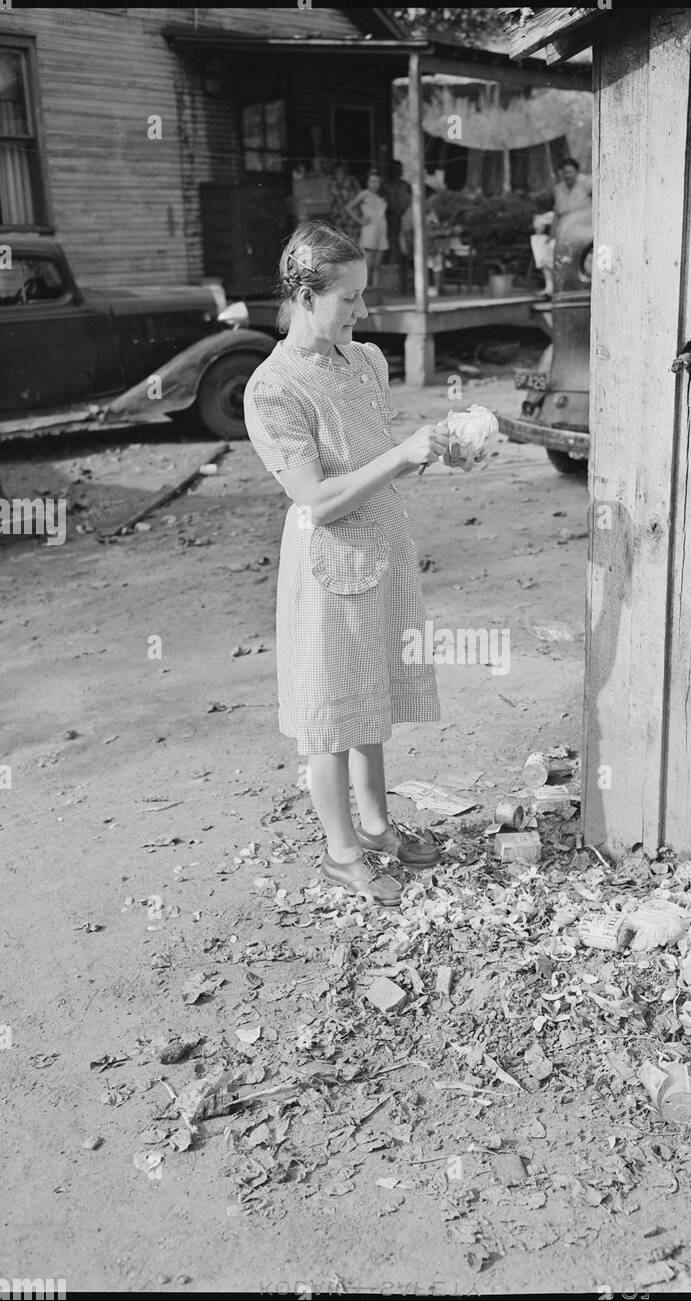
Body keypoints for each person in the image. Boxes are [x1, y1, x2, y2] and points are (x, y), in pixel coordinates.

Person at [242, 220, 466, 906]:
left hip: (384, 551)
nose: (361, 312)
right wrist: (402, 457)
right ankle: (341, 852)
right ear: (305, 297)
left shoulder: (365, 361)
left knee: (372, 699)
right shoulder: (273, 389)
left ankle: (374, 826)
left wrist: (432, 452)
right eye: (349, 299)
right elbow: (314, 498)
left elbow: (376, 462)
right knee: (331, 712)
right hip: (329, 565)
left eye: (363, 297)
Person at [344, 170, 389, 284]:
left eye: (377, 182)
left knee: (378, 264)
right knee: (368, 264)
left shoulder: (382, 196)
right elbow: (349, 207)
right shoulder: (364, 194)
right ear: (368, 182)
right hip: (370, 230)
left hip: (382, 230)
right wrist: (360, 220)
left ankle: (376, 288)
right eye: (372, 181)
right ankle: (366, 290)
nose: (375, 184)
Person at [551, 156, 593, 238]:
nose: (567, 175)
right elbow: (556, 215)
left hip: (584, 228)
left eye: (570, 172)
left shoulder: (586, 182)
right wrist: (551, 236)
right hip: (565, 230)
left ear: (577, 172)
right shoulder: (558, 189)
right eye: (565, 172)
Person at [381, 160, 412, 267]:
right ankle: (393, 262)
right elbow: (381, 202)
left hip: (404, 218)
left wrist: (403, 212)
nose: (398, 171)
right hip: (390, 218)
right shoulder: (385, 185)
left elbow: (410, 202)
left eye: (399, 169)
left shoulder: (406, 185)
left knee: (404, 242)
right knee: (391, 241)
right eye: (395, 169)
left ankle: (402, 263)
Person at [328, 161, 361, 238]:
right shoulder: (333, 183)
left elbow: (359, 197)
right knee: (341, 241)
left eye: (342, 170)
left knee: (353, 241)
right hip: (339, 218)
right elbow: (332, 201)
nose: (340, 172)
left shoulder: (352, 180)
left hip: (351, 218)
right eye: (338, 171)